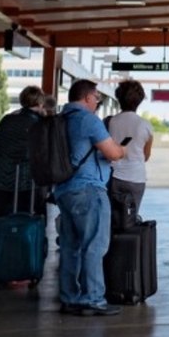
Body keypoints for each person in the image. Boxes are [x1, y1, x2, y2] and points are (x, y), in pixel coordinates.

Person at [54, 79, 128, 316]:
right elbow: (113, 153)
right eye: (97, 97)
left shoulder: (60, 120)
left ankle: (69, 298)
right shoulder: (88, 120)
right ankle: (94, 299)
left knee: (69, 246)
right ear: (87, 97)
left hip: (64, 191)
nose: (97, 102)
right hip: (88, 191)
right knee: (95, 245)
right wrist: (122, 149)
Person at [0, 86, 45, 287]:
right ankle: (23, 265)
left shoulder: (7, 119)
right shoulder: (38, 124)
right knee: (25, 221)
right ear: (39, 103)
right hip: (25, 182)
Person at [106, 80, 154, 219]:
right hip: (136, 178)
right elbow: (146, 156)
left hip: (113, 177)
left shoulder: (111, 122)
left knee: (112, 218)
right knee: (130, 219)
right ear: (139, 101)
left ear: (119, 98)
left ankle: (112, 240)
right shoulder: (145, 125)